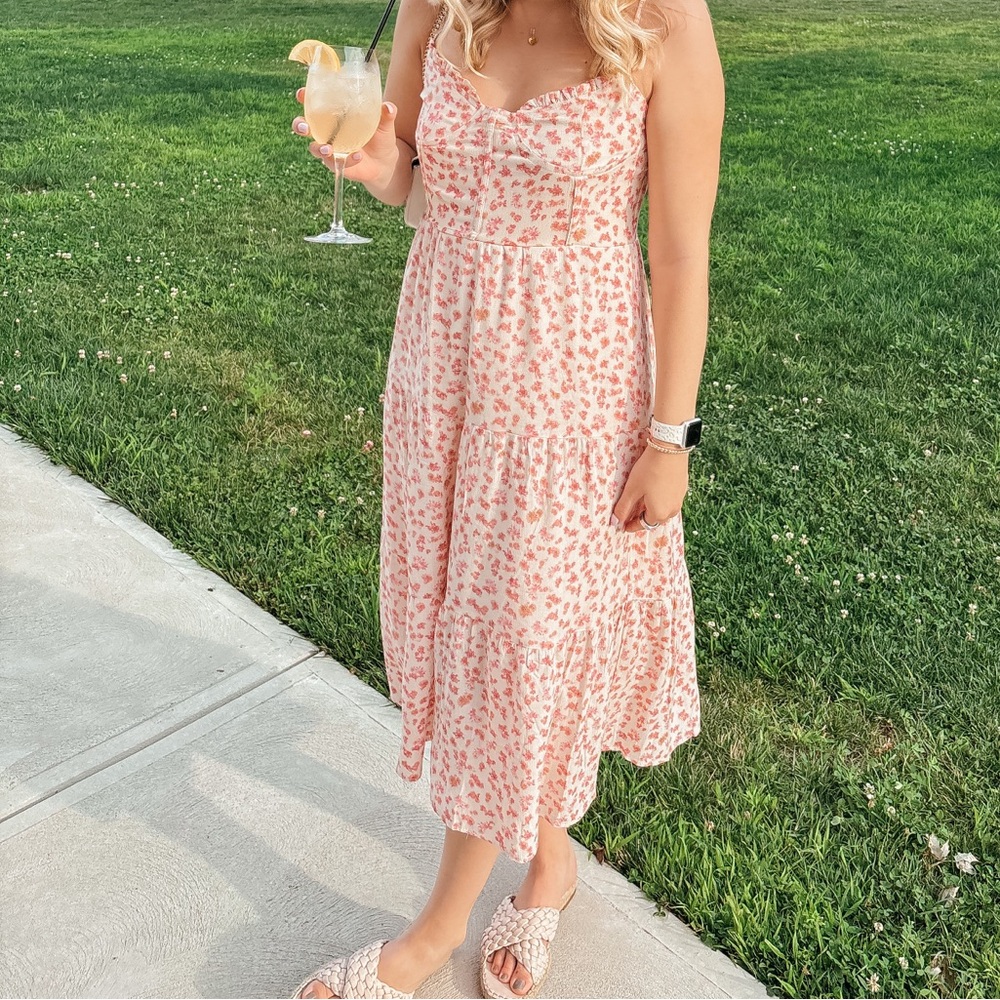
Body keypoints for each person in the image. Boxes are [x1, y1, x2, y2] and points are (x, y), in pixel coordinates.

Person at [289, 0, 724, 995]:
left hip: (572, 388)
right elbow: (412, 180)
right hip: (444, 369)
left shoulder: (664, 20)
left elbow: (681, 250)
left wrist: (670, 438)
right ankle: (552, 863)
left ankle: (433, 934)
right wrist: (367, 165)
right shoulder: (437, 4)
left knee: (515, 635)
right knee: (489, 633)